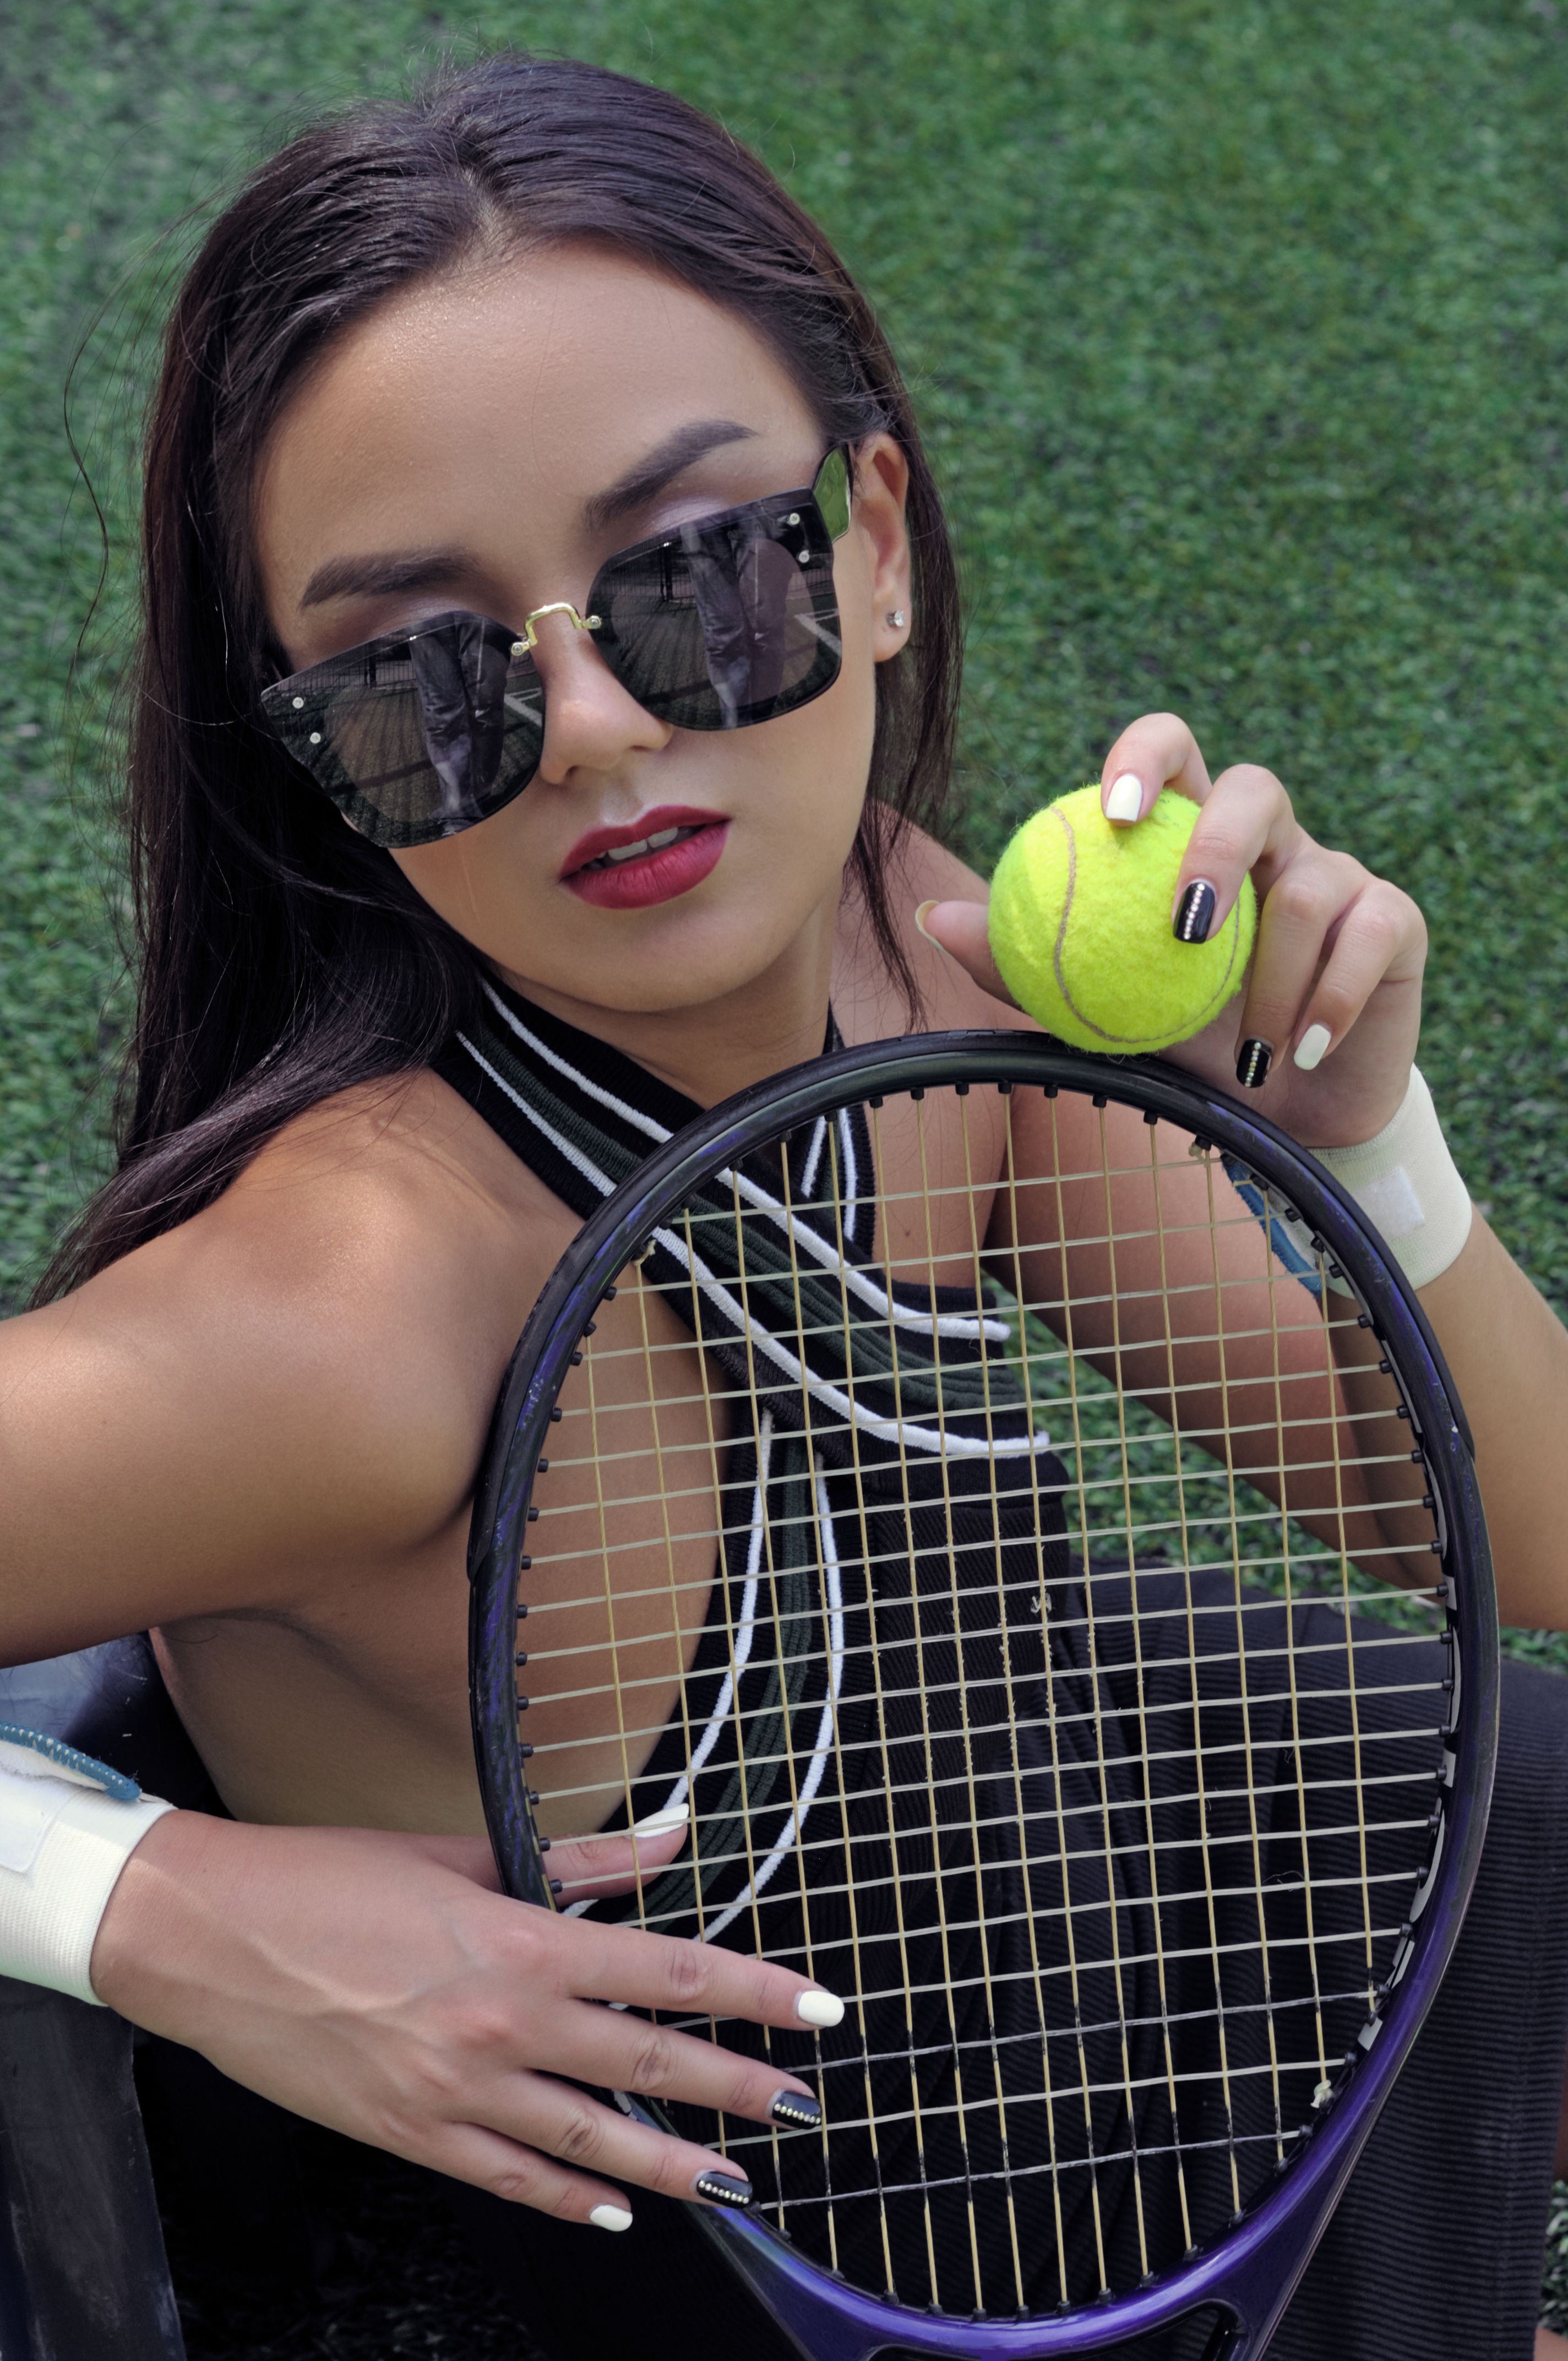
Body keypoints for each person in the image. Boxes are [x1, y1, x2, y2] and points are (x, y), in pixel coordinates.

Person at [1, 51, 1566, 2361]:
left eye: (700, 577)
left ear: (878, 542)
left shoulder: (908, 961)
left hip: (1014, 1954)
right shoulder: (354, 1321)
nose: (601, 729)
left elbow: (1518, 1532)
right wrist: (151, 1907)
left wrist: (1366, 1139)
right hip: (745, 2253)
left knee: (1520, 1791)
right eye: (422, 683)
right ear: (317, 765)